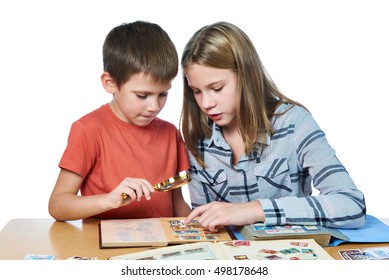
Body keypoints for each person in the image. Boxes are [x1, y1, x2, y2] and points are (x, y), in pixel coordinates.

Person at [181, 21, 366, 231]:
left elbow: (352, 205)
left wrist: (255, 210)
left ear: (247, 76)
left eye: (217, 88)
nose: (206, 104)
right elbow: (208, 229)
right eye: (196, 91)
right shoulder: (198, 142)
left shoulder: (294, 123)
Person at [48, 21, 190, 221]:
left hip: (161, 248)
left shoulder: (170, 133)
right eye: (142, 95)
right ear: (110, 83)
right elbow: (58, 205)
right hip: (105, 247)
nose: (154, 106)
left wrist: (201, 228)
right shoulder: (89, 130)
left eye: (163, 94)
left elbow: (177, 203)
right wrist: (109, 200)